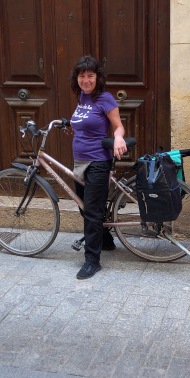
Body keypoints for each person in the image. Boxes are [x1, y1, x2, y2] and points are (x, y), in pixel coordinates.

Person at [69, 55, 127, 280]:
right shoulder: (82, 97)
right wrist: (70, 125)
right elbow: (85, 124)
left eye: (90, 75)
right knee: (85, 207)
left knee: (92, 212)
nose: (86, 80)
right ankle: (106, 241)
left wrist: (119, 138)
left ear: (97, 77)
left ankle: (92, 261)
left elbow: (118, 126)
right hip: (79, 160)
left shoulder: (105, 99)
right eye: (82, 76)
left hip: (98, 162)